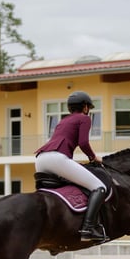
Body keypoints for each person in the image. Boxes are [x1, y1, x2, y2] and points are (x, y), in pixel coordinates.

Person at [35, 90, 107, 241]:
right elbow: (83, 143)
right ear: (85, 107)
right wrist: (93, 157)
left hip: (41, 159)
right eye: (88, 107)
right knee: (99, 187)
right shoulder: (84, 118)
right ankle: (88, 228)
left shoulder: (63, 121)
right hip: (57, 159)